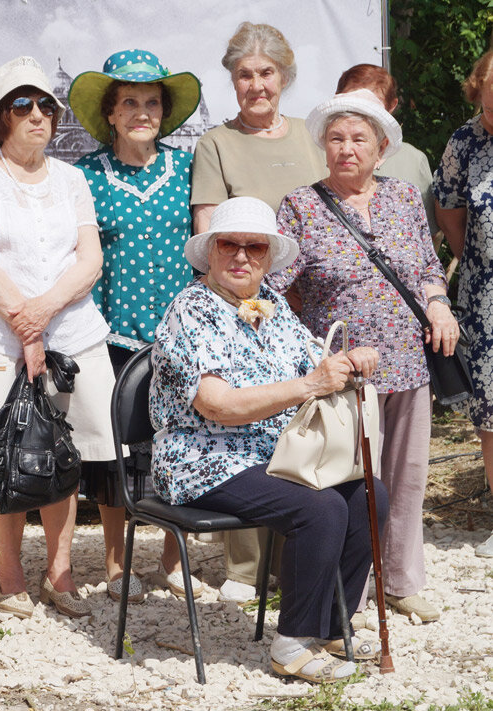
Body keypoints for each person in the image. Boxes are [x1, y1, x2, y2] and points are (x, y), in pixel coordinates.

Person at [151, 196, 387, 683]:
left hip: (271, 453)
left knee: (370, 494)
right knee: (319, 508)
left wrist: (350, 359)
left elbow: (316, 361)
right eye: (229, 245)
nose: (241, 256)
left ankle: (333, 625)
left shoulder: (272, 305)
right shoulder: (191, 310)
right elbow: (217, 405)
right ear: (210, 254)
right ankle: (293, 643)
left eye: (253, 246)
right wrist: (310, 385)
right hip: (202, 458)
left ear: (267, 257)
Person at [270, 89, 456, 624]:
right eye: (336, 139)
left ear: (380, 147)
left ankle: (399, 581)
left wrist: (440, 305)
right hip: (344, 372)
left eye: (358, 139)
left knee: (406, 476)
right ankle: (335, 589)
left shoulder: (401, 197)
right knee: (342, 481)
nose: (346, 149)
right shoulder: (302, 205)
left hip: (407, 363)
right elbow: (278, 281)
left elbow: (424, 267)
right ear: (324, 149)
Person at [0, 56, 114, 619]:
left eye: (48, 105)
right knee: (9, 454)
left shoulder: (72, 179)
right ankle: (9, 569)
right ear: (0, 117)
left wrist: (40, 316)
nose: (39, 115)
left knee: (64, 456)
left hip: (75, 336)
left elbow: (89, 259)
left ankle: (60, 570)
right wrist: (26, 329)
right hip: (1, 343)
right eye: (24, 105)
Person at [190, 21, 328, 603]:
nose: (256, 85)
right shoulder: (215, 144)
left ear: (284, 76)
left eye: (266, 73)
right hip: (245, 305)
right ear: (233, 80)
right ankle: (245, 569)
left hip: (312, 305)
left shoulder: (311, 138)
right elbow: (210, 230)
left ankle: (303, 559)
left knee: (304, 429)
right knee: (244, 427)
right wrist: (249, 300)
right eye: (244, 74)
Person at [68, 49, 204, 602]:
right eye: (130, 102)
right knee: (113, 450)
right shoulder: (84, 176)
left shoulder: (189, 169)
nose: (141, 112)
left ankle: (173, 561)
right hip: (110, 333)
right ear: (111, 112)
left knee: (183, 442)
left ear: (163, 112)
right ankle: (117, 563)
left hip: (181, 333)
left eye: (151, 102)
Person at [434, 48, 493, 560]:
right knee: (492, 413)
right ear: (478, 89)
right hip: (486, 294)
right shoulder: (465, 141)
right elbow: (449, 206)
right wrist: (472, 260)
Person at [336, 64, 438, 237]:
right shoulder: (325, 154)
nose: (361, 113)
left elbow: (428, 236)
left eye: (371, 105)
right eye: (352, 103)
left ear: (392, 106)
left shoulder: (413, 160)